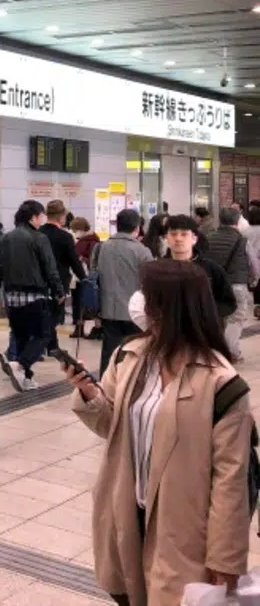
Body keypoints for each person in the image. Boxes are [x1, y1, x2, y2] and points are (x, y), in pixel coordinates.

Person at [66, 260, 252, 605]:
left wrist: (225, 559)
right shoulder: (129, 356)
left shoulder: (222, 385)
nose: (140, 305)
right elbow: (111, 427)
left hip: (183, 527)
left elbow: (231, 478)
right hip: (126, 511)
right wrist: (91, 395)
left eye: (148, 297)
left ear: (169, 308)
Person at [0, 199, 65, 392]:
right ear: (34, 217)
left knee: (22, 336)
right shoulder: (38, 238)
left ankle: (25, 378)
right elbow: (50, 268)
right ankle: (21, 365)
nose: (42, 219)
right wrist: (58, 290)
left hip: (11, 297)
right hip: (35, 296)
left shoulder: (6, 238)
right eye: (40, 215)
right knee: (44, 334)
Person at [89, 209, 153, 378]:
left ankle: (105, 383)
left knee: (109, 350)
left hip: (107, 308)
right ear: (137, 227)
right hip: (135, 311)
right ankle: (128, 384)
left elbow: (94, 275)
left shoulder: (101, 247)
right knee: (135, 352)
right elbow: (150, 282)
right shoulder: (142, 251)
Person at [165, 214, 234, 325]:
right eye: (173, 234)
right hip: (168, 330)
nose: (178, 239)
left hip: (205, 332)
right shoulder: (158, 269)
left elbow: (229, 303)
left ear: (194, 239)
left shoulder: (211, 269)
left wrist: (206, 313)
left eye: (184, 234)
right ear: (166, 239)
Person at [205, 206, 250, 361]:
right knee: (236, 318)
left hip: (213, 285)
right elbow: (252, 263)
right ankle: (231, 352)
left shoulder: (209, 238)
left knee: (217, 317)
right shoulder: (242, 240)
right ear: (237, 221)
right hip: (236, 283)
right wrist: (254, 278)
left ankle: (215, 350)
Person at [40, 200, 85, 341]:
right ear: (61, 216)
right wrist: (83, 278)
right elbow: (73, 261)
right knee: (55, 314)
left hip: (39, 280)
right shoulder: (65, 236)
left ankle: (49, 344)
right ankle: (46, 344)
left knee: (43, 312)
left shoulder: (38, 233)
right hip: (59, 280)